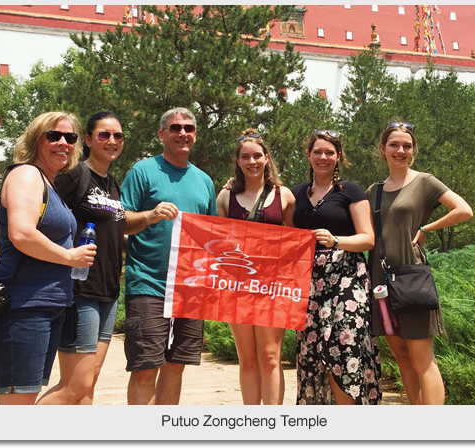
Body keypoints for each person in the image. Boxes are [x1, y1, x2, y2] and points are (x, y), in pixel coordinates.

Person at [0, 111, 97, 405]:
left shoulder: (49, 184)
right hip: (22, 305)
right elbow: (21, 233)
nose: (63, 143)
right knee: (15, 406)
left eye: (70, 138)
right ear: (36, 139)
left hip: (46, 305)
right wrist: (69, 256)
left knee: (26, 400)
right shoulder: (26, 174)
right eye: (54, 136)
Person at [366, 121, 473, 405]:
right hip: (381, 281)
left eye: (407, 146)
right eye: (394, 145)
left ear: (413, 150)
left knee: (422, 359)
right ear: (382, 149)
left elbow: (464, 210)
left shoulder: (425, 181)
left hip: (412, 278)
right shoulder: (373, 191)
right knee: (402, 357)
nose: (400, 150)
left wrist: (426, 229)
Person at [121, 107, 217, 405]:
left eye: (189, 128)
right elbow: (119, 220)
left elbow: (213, 237)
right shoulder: (142, 171)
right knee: (145, 370)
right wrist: (150, 215)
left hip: (191, 289)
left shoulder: (205, 181)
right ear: (162, 134)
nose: (183, 133)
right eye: (175, 128)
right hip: (149, 285)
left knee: (176, 367)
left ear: (195, 135)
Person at [37, 112, 126, 405]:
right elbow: (47, 221)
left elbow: (119, 228)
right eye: (104, 134)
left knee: (90, 381)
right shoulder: (75, 176)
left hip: (108, 291)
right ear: (87, 140)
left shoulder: (113, 184)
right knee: (76, 384)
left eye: (118, 136)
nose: (112, 141)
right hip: (80, 290)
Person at [292, 129, 381, 405]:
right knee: (313, 357)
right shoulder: (295, 194)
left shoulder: (350, 191)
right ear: (308, 155)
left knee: (343, 350)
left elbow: (368, 238)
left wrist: (337, 240)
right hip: (309, 285)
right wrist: (233, 185)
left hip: (346, 282)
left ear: (339, 156)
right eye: (317, 151)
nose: (323, 157)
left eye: (330, 152)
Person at [216, 129, 296, 405]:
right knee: (247, 359)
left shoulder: (284, 196)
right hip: (237, 288)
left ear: (266, 158)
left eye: (257, 156)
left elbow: (296, 243)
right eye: (245, 156)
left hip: (274, 288)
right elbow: (220, 246)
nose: (252, 161)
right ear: (237, 161)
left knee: (271, 357)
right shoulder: (225, 198)